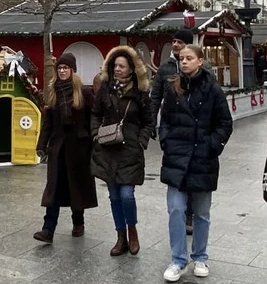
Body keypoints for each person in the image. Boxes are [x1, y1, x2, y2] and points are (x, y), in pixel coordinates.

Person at [160, 45, 233, 283]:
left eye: (189, 58)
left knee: (201, 212)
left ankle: (200, 256)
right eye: (181, 59)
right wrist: (166, 142)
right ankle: (178, 259)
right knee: (176, 209)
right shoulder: (173, 88)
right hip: (177, 158)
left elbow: (224, 123)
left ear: (200, 61)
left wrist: (212, 145)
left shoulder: (213, 90)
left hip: (203, 158)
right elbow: (166, 120)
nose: (184, 62)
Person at [91, 45, 154, 257]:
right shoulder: (105, 90)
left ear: (131, 69)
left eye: (122, 66)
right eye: (115, 65)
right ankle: (120, 236)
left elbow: (149, 121)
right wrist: (95, 135)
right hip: (107, 149)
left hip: (130, 150)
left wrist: (141, 141)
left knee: (127, 195)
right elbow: (95, 114)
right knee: (114, 196)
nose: (117, 69)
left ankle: (132, 231)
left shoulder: (141, 92)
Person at [33, 53, 98, 243]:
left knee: (75, 186)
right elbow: (48, 122)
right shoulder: (53, 91)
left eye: (65, 68)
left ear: (72, 70)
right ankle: (48, 229)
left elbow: (93, 118)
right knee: (54, 187)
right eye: (60, 68)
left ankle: (78, 221)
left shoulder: (83, 92)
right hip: (58, 147)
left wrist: (92, 141)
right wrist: (41, 145)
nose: (62, 71)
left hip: (78, 148)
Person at [149, 29, 197, 236]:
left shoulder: (201, 66)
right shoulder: (165, 68)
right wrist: (153, 122)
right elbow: (155, 96)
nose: (175, 44)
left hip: (195, 131)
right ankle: (180, 211)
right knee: (176, 172)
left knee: (193, 175)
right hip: (172, 129)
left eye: (179, 42)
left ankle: (190, 213)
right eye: (174, 41)